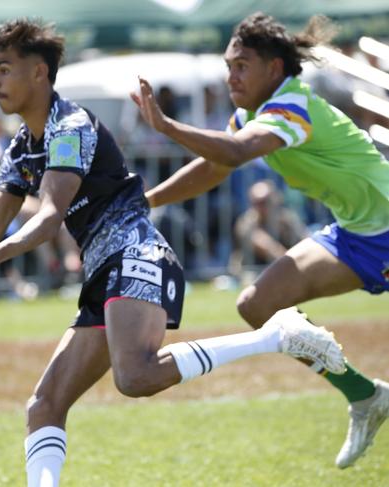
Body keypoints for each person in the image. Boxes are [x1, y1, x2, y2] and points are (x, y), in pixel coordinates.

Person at [0, 19, 347, 486]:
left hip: (136, 254)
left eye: (4, 68)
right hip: (104, 271)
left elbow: (48, 218)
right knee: (44, 406)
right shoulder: (22, 147)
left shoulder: (70, 126)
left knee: (135, 377)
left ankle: (275, 336)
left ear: (39, 72)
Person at [131, 12, 389, 469]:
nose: (231, 75)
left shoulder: (292, 106)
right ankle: (365, 397)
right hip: (353, 236)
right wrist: (146, 201)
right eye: (229, 65)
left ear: (274, 69)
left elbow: (235, 152)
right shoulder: (252, 113)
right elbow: (215, 167)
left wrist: (168, 126)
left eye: (241, 66)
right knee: (258, 305)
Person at [231, 179, 308, 278]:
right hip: (253, 273)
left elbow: (304, 240)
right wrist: (297, 266)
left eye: (264, 202)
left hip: (285, 268)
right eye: (256, 202)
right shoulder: (246, 222)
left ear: (275, 199)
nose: (260, 207)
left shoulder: (287, 218)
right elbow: (269, 249)